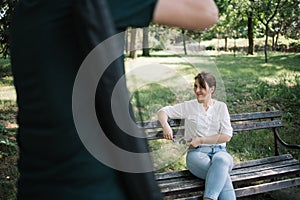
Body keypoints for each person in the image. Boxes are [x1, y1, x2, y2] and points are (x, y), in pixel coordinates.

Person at [10, 0, 219, 199]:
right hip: (95, 188)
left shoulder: (23, 12)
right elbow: (205, 12)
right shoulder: (93, 3)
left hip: (35, 185)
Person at [158, 72, 236, 200]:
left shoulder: (221, 107)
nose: (197, 90)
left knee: (222, 161)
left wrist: (201, 140)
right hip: (197, 155)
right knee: (222, 176)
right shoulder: (189, 106)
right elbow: (163, 111)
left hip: (220, 151)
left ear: (212, 89)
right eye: (195, 86)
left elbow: (226, 136)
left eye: (202, 87)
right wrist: (165, 125)